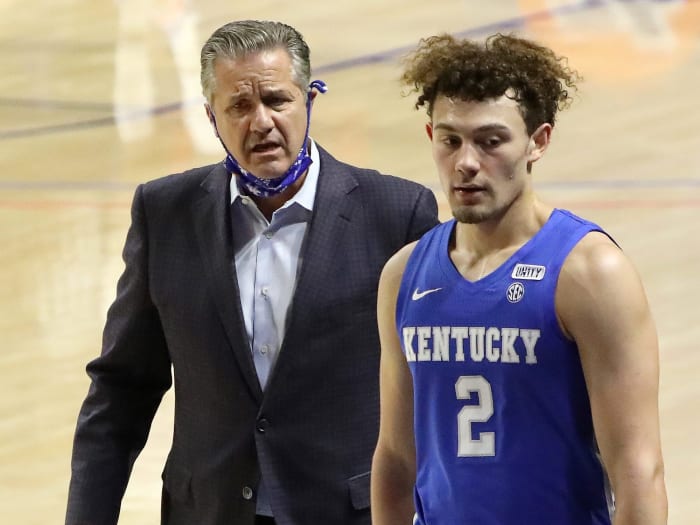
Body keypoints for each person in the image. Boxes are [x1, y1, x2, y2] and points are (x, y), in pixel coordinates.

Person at [66, 19, 438, 525]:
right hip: (208, 511)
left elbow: (434, 386)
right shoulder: (163, 212)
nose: (260, 121)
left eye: (277, 100)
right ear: (211, 117)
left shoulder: (396, 213)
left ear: (309, 100)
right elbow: (121, 390)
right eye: (239, 106)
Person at [370, 33, 667, 525]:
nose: (466, 162)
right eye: (451, 140)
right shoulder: (403, 275)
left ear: (538, 141)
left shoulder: (590, 272)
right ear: (430, 138)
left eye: (490, 141)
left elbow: (639, 470)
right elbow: (396, 458)